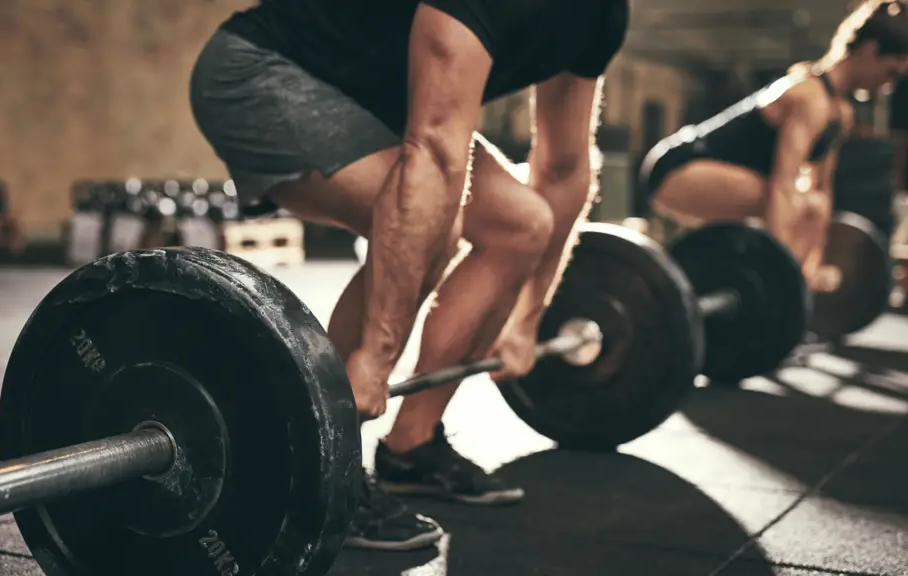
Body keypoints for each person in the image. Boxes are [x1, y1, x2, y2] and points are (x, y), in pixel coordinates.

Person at [190, 0, 628, 552]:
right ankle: (318, 470)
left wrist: (527, 319)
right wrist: (374, 356)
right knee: (431, 231)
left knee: (522, 224)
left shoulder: (601, 15)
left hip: (374, 101)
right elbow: (435, 152)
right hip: (260, 72)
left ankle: (412, 447)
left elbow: (564, 167)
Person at [640, 0, 908, 291]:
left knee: (812, 205)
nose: (887, 86)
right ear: (870, 51)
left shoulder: (840, 113)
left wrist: (813, 263)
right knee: (797, 203)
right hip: (676, 168)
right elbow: (783, 185)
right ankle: (775, 280)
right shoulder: (809, 97)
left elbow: (822, 189)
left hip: (724, 177)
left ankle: (769, 281)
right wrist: (783, 274)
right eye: (891, 73)